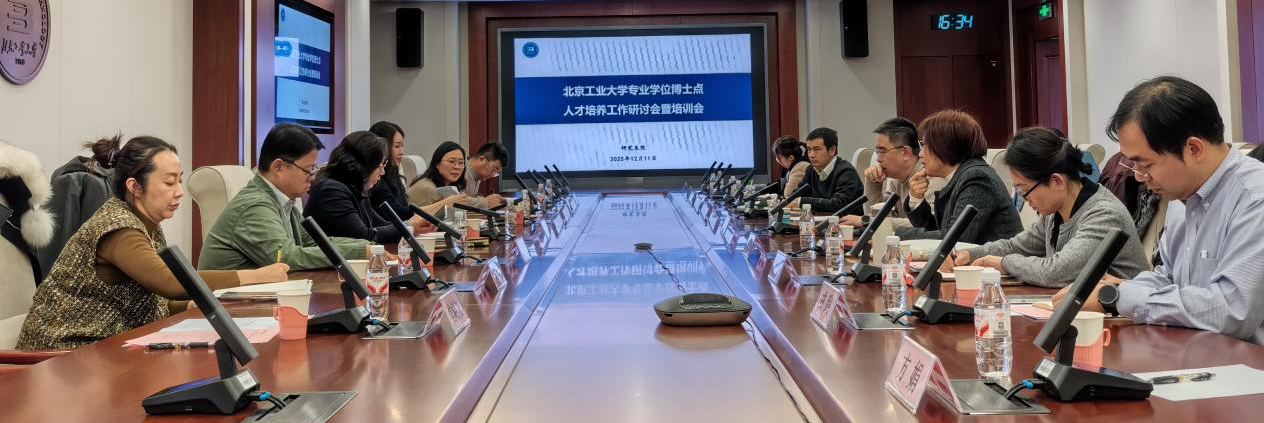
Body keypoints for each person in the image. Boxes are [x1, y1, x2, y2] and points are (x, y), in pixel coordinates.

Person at [17, 136, 289, 350]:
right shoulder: (117, 226)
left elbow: (147, 300)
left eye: (180, 180)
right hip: (65, 354)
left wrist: (186, 307)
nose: (180, 192)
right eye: (169, 182)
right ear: (135, 187)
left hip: (104, 346)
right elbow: (169, 282)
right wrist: (256, 276)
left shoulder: (146, 222)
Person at [1053, 76, 1264, 345]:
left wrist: (1118, 297)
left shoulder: (1255, 198)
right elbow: (1168, 278)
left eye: (1146, 165)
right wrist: (1114, 289)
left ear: (1193, 149)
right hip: (1194, 352)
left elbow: (1232, 309)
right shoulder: (1181, 196)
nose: (1138, 177)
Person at [949, 128, 1148, 288]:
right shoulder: (1055, 212)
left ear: (1057, 181)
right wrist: (971, 254)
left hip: (1122, 320)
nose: (1025, 199)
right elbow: (1016, 246)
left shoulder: (1104, 214)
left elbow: (1057, 272)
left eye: (1025, 190)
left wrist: (1003, 263)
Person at [199, 123, 371, 271]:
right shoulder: (255, 205)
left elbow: (313, 241)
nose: (312, 177)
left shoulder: (283, 201)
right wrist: (360, 252)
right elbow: (287, 258)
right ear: (279, 167)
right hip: (230, 298)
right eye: (308, 170)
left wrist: (365, 246)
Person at [897, 110, 1022, 244]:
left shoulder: (977, 177)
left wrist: (895, 235)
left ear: (944, 145)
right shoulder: (962, 175)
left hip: (997, 257)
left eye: (924, 145)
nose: (920, 154)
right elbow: (939, 232)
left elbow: (954, 240)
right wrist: (916, 200)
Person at [305, 131, 428, 243]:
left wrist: (411, 227)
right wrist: (409, 226)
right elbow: (363, 236)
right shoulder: (331, 191)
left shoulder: (357, 188)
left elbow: (381, 225)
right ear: (363, 167)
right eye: (379, 166)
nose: (383, 172)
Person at [844, 117, 945, 229]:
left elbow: (927, 226)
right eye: (877, 152)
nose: (878, 159)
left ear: (905, 152)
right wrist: (874, 184)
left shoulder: (931, 177)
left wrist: (866, 221)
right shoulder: (894, 179)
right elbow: (883, 219)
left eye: (882, 151)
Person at [786, 127, 864, 214]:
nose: (811, 155)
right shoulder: (811, 170)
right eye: (809, 149)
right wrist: (786, 201)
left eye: (816, 149)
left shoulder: (846, 171)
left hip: (847, 221)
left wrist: (801, 201)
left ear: (832, 150)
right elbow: (797, 194)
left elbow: (839, 204)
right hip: (819, 219)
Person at [406, 141, 472, 215]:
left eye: (461, 163)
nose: (457, 167)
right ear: (437, 163)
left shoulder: (448, 186)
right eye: (451, 161)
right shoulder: (427, 188)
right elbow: (421, 219)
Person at [367, 121, 414, 220]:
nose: (402, 152)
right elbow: (400, 214)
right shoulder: (375, 182)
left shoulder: (393, 173)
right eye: (397, 146)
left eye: (402, 146)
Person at [463, 142, 509, 208]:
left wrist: (491, 200)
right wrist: (486, 202)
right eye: (493, 170)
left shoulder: (477, 174)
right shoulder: (461, 171)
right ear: (482, 159)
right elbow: (457, 201)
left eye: (496, 173)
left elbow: (470, 196)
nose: (492, 175)